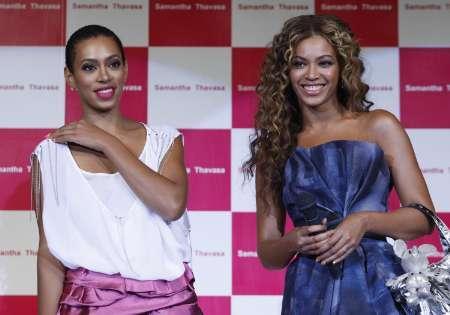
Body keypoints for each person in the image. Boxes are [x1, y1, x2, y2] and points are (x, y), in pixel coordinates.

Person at [242, 15, 435, 314]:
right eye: (299, 63)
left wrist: (364, 221)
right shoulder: (274, 146)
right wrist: (294, 241)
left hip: (378, 286)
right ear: (285, 72)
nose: (311, 74)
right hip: (309, 291)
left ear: (342, 67)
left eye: (324, 62)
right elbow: (269, 253)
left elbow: (423, 217)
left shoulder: (379, 125)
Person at [31, 25, 202, 314]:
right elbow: (50, 252)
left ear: (125, 70)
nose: (104, 75)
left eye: (113, 63)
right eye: (89, 67)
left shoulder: (164, 141)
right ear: (70, 78)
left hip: (171, 306)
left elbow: (172, 205)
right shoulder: (49, 154)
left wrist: (107, 142)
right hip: (90, 307)